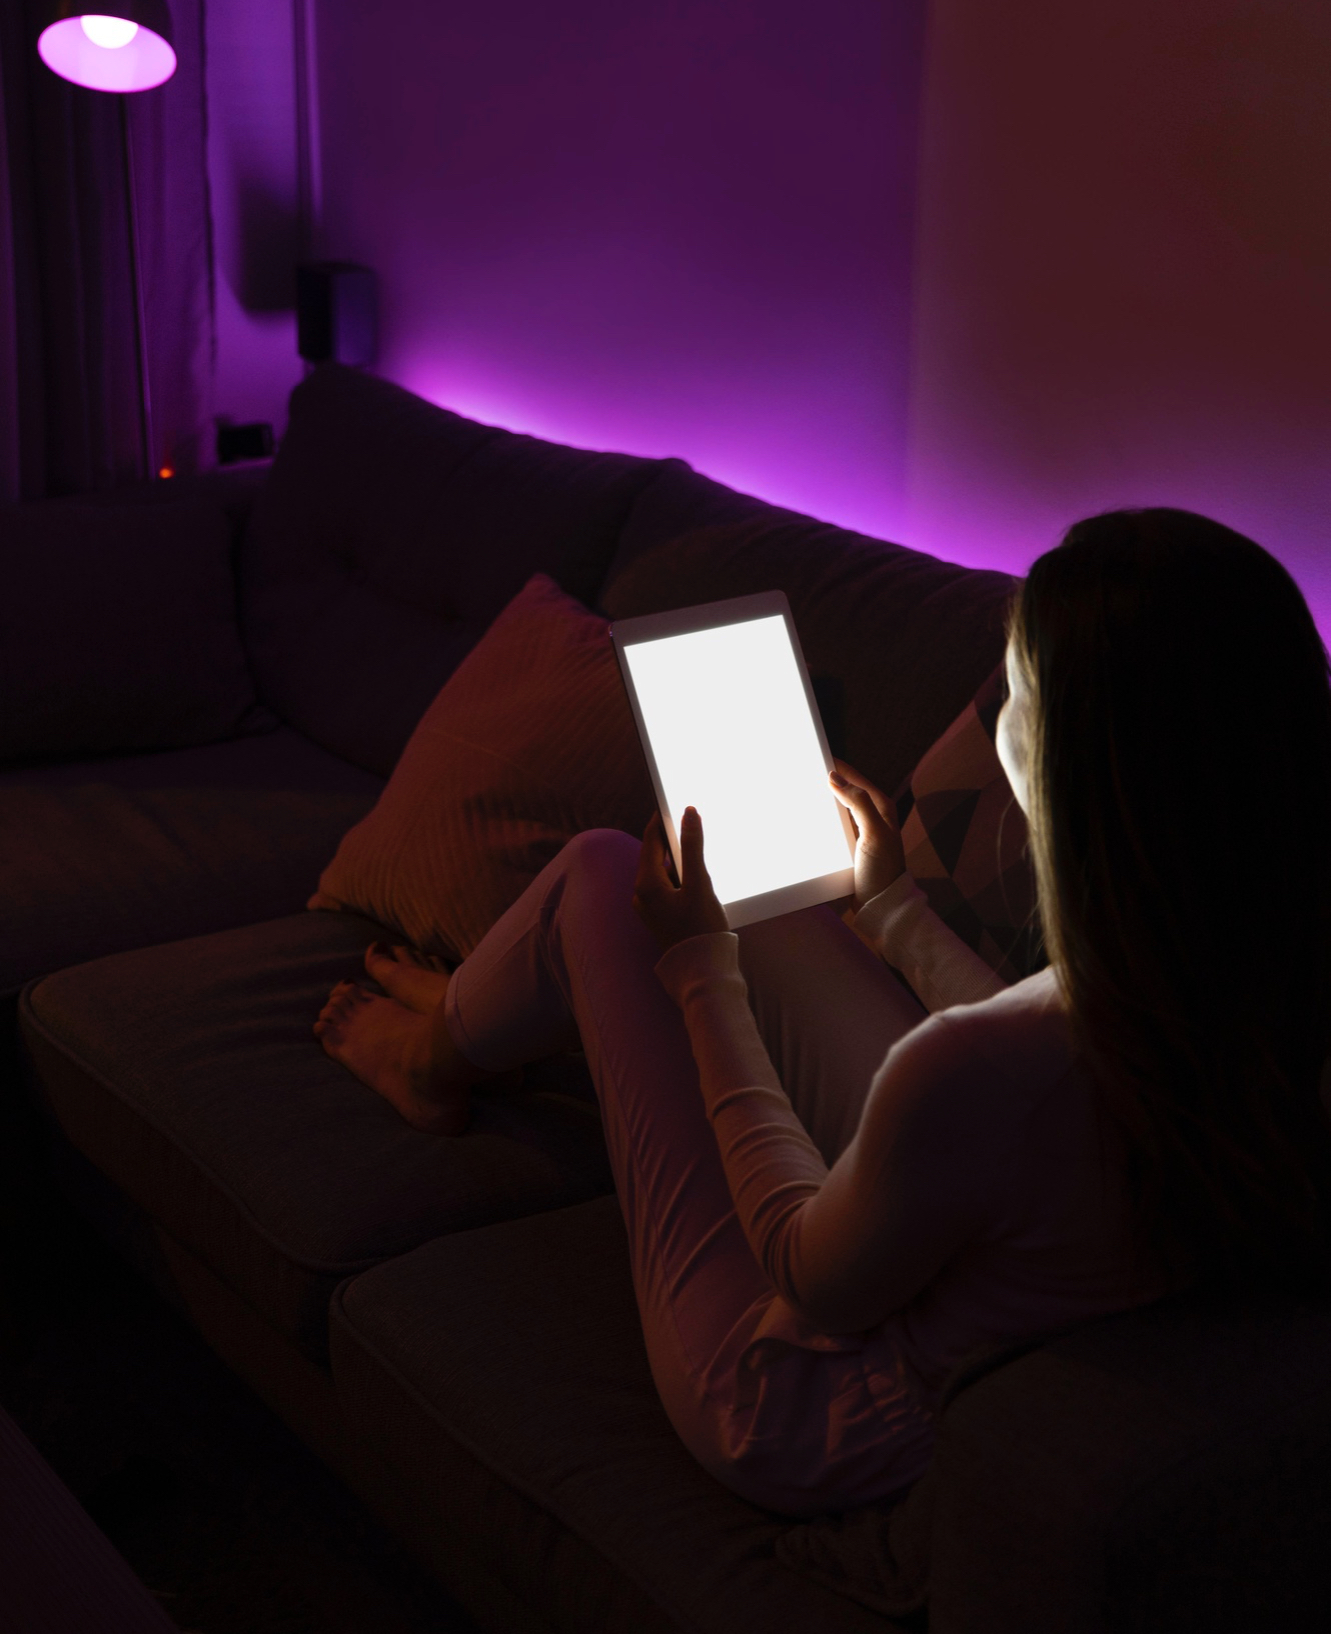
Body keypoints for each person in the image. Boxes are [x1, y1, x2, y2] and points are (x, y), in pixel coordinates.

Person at [314, 509, 1331, 1517]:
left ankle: (433, 1057)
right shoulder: (1229, 985)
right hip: (986, 1234)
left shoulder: (981, 1063)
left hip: (802, 1401)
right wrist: (889, 907)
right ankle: (458, 1015)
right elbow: (1054, 1081)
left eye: (1014, 691)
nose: (996, 720)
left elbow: (808, 1270)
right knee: (778, 901)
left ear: (1077, 759)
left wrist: (700, 973)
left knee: (599, 873)